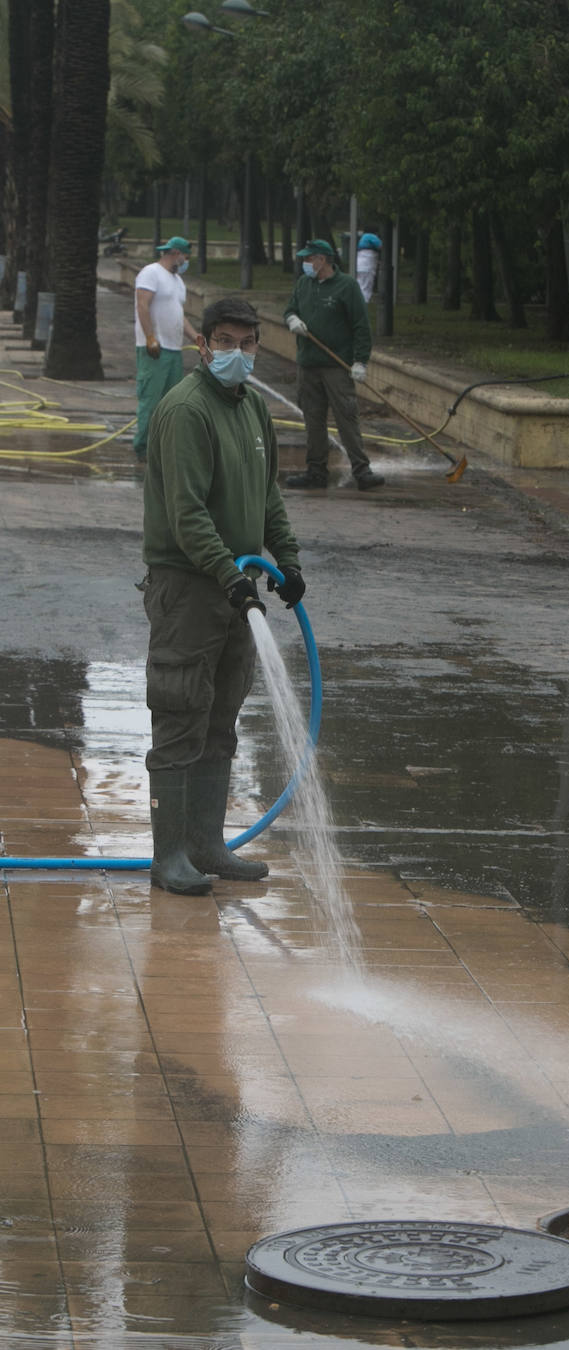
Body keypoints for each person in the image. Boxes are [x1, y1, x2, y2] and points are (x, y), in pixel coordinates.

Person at [141, 296, 306, 897]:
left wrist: (284, 562)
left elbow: (268, 498)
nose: (238, 353)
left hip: (239, 587)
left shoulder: (253, 408)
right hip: (189, 587)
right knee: (181, 711)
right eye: (226, 341)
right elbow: (185, 513)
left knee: (221, 713)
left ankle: (208, 845)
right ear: (204, 344)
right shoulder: (186, 411)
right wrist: (227, 575)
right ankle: (169, 856)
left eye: (248, 342)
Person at [283, 238, 384, 491]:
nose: (305, 263)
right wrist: (292, 318)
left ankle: (362, 471)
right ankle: (315, 472)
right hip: (308, 364)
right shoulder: (304, 284)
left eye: (309, 258)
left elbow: (361, 326)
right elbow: (289, 309)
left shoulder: (346, 286)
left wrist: (360, 361)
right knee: (313, 420)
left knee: (346, 418)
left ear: (322, 259)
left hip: (336, 366)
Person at [134, 235, 198, 462]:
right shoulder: (151, 273)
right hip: (154, 349)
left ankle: (163, 447)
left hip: (174, 349)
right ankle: (143, 447)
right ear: (175, 253)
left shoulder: (178, 281)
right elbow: (142, 304)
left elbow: (179, 317)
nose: (187, 261)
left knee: (172, 402)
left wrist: (196, 338)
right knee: (151, 399)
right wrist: (150, 337)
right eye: (185, 256)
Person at [355, 229, 382, 304]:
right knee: (367, 286)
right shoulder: (371, 236)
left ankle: (358, 302)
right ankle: (364, 303)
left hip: (359, 265)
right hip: (367, 266)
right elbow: (380, 246)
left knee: (360, 284)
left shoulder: (363, 238)